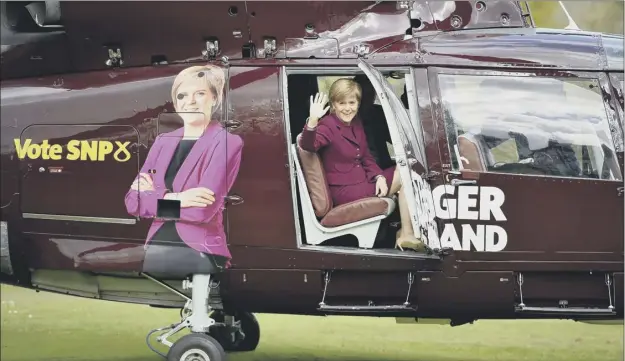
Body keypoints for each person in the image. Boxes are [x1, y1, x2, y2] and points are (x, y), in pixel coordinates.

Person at [124, 64, 244, 276]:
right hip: (157, 245)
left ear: (215, 99)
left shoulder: (227, 142)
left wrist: (155, 199)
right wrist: (179, 198)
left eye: (199, 94)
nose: (189, 102)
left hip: (198, 249)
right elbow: (133, 202)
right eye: (182, 96)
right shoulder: (163, 141)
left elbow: (201, 211)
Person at [298, 78, 425, 252]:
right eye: (341, 103)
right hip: (345, 191)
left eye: (352, 102)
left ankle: (406, 233)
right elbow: (308, 145)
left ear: (358, 103)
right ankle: (405, 234)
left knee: (407, 170)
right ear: (333, 104)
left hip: (364, 182)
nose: (347, 108)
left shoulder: (355, 122)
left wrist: (378, 176)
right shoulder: (327, 125)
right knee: (405, 175)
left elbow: (366, 156)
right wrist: (312, 120)